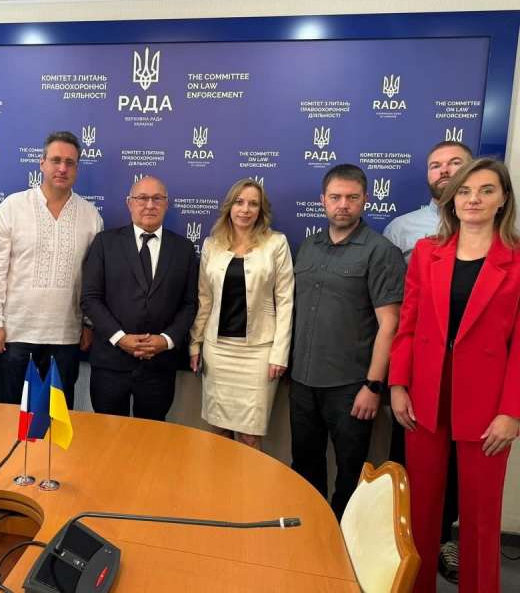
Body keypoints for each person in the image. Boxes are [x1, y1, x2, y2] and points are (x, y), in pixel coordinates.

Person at [389, 158, 520, 593]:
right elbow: (408, 326)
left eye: (485, 190)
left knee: (481, 517)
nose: (473, 199)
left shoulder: (516, 260)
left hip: (487, 405)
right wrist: (398, 384)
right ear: (452, 199)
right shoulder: (428, 252)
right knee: (420, 510)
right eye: (464, 191)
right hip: (425, 396)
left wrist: (512, 412)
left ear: (503, 199)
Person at [290, 163, 405, 519]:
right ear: (322, 200)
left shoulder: (380, 251)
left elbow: (390, 324)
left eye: (352, 198)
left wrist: (373, 385)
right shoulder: (308, 246)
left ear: (365, 200)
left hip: (351, 386)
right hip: (302, 381)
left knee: (351, 470)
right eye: (336, 197)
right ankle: (310, 529)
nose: (343, 205)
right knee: (304, 464)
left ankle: (342, 539)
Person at [383, 140, 472, 583]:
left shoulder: (497, 235)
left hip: (470, 365)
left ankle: (445, 538)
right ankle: (404, 540)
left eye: (455, 163)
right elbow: (392, 303)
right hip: (415, 359)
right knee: (409, 455)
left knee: (461, 457)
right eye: (436, 165)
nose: (445, 171)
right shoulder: (404, 229)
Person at [0, 131, 102, 407]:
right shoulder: (13, 207)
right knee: (13, 416)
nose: (62, 168)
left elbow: (93, 280)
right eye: (56, 160)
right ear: (42, 163)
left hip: (65, 336)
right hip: (14, 334)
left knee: (57, 418)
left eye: (70, 163)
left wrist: (88, 324)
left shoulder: (91, 216)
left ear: (77, 168)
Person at [81, 176, 198, 421]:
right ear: (129, 203)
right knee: (108, 435)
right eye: (142, 198)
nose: (150, 205)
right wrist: (120, 338)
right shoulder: (105, 243)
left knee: (152, 436)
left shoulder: (184, 249)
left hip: (159, 366)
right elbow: (90, 298)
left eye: (157, 199)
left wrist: (166, 340)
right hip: (111, 363)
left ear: (166, 204)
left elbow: (189, 304)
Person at [188, 178, 293, 449]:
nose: (245, 209)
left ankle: (249, 480)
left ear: (261, 210)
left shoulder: (276, 243)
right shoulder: (212, 244)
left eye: (253, 204)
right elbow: (205, 299)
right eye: (239, 202)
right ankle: (219, 478)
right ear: (229, 207)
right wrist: (195, 343)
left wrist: (279, 353)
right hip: (218, 350)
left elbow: (285, 301)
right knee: (218, 429)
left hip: (259, 353)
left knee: (250, 436)